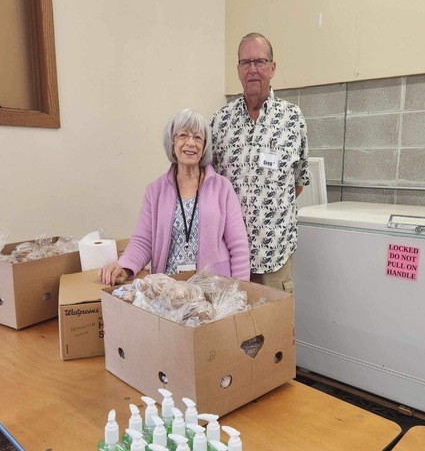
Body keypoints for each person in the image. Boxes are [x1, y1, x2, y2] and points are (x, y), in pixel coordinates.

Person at [99, 108, 250, 286]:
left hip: (214, 288)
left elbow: (239, 247)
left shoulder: (222, 188)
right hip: (169, 290)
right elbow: (143, 241)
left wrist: (241, 290)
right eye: (183, 135)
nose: (190, 143)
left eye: (198, 137)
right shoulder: (155, 191)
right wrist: (124, 266)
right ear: (172, 141)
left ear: (204, 146)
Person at [211, 32, 309, 292]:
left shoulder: (292, 119)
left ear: (272, 68)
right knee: (232, 318)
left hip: (275, 258)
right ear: (238, 70)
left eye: (260, 61)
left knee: (275, 319)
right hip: (229, 259)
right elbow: (210, 185)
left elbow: (298, 183)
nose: (252, 69)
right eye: (246, 62)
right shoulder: (220, 121)